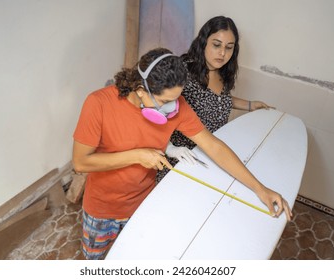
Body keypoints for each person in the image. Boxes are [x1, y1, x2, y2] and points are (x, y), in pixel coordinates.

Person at [72, 47, 291, 260]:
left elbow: (214, 146)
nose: (172, 109)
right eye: (166, 101)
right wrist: (137, 155)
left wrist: (260, 189)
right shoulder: (99, 103)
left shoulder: (177, 106)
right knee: (97, 259)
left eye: (177, 99)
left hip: (145, 201)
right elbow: (81, 162)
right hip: (102, 208)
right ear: (140, 89)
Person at [159, 16, 274, 179]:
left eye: (229, 48)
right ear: (204, 41)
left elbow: (219, 100)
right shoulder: (182, 72)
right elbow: (157, 112)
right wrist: (168, 148)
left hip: (213, 155)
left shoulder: (222, 71)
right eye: (216, 45)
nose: (222, 53)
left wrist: (250, 105)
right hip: (182, 158)